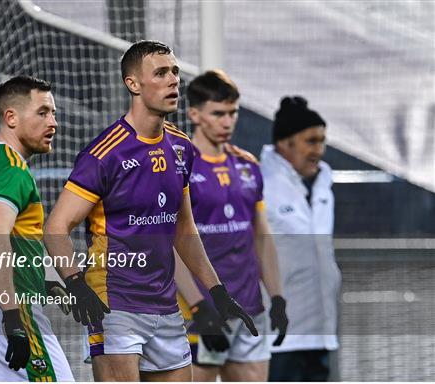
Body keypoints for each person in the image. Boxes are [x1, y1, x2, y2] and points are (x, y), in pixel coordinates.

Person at [43, 40, 257, 382]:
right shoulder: (105, 153)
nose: (173, 80)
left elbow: (184, 230)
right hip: (115, 304)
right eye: (161, 73)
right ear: (133, 84)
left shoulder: (182, 148)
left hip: (165, 306)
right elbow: (56, 227)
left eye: (174, 71)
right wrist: (76, 284)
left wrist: (217, 291)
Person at [0, 75, 106, 381]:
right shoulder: (12, 169)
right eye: (43, 112)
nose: (54, 122)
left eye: (54, 113)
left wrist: (38, 282)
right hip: (8, 310)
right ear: (11, 117)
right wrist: (12, 315)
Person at [174, 70, 288, 381]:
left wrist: (277, 297)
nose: (227, 121)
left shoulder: (248, 165)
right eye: (218, 113)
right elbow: (171, 244)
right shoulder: (179, 165)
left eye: (232, 112)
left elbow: (262, 237)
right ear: (195, 114)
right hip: (203, 312)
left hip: (250, 308)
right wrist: (199, 308)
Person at [260, 96, 341, 381]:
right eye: (311, 141)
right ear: (285, 143)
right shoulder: (260, 184)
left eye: (322, 141)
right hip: (278, 337)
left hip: (320, 331)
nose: (318, 149)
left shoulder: (323, 185)